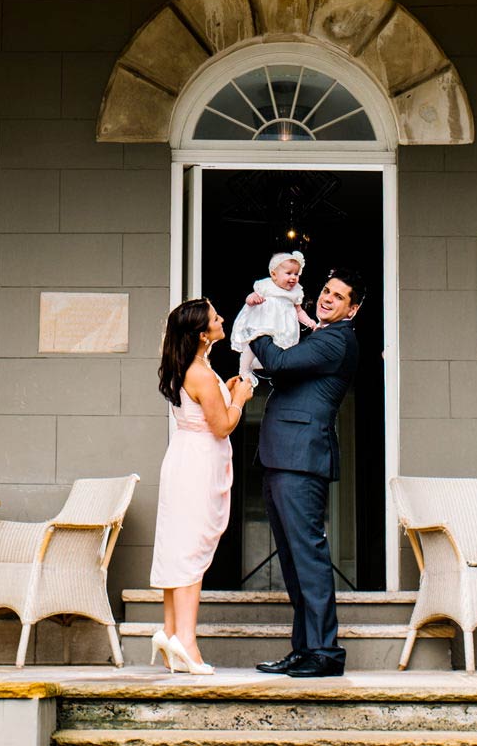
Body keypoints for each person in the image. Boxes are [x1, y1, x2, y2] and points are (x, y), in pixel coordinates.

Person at [248, 269, 363, 678]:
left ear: (354, 307)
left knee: (309, 558)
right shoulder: (320, 335)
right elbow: (282, 371)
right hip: (284, 457)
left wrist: (253, 329)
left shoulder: (335, 339)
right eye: (326, 291)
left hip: (300, 459)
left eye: (339, 296)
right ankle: (304, 648)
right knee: (295, 562)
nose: (328, 299)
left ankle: (325, 652)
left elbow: (277, 360)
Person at [148, 297, 253, 674]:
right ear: (202, 334)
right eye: (215, 317)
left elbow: (203, 407)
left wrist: (224, 392)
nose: (222, 319)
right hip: (196, 465)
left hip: (183, 458)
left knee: (179, 546)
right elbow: (222, 425)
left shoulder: (189, 367)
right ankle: (187, 643)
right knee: (191, 550)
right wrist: (239, 399)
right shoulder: (200, 373)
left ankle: (171, 631)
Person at [230, 249, 318, 386]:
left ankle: (277, 375)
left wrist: (310, 322)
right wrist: (253, 299)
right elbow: (249, 298)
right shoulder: (265, 285)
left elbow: (299, 311)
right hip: (265, 322)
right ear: (274, 274)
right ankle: (245, 368)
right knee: (253, 344)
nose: (293, 277)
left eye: (296, 274)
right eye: (288, 273)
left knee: (283, 352)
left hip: (285, 327)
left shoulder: (296, 291)